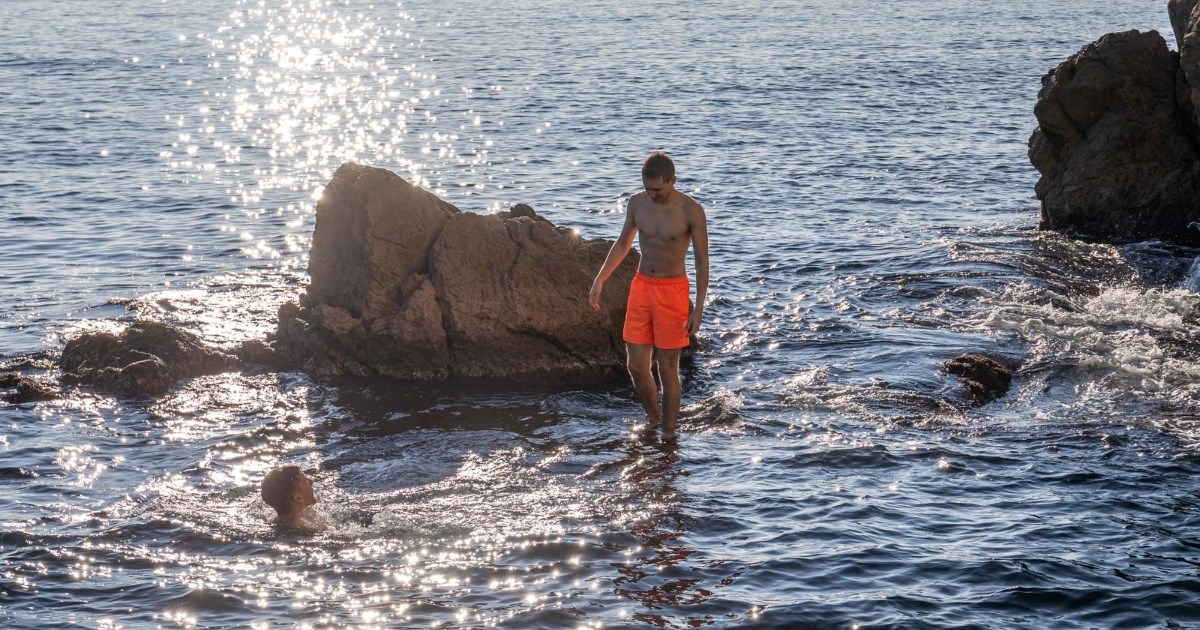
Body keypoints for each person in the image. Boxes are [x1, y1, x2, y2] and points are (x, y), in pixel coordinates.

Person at [589, 151, 709, 440]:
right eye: (647, 189)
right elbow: (623, 242)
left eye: (658, 189)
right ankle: (654, 418)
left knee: (667, 367)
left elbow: (702, 261)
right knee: (636, 365)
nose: (652, 194)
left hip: (673, 291)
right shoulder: (637, 203)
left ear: (673, 181)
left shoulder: (691, 210)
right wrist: (600, 278)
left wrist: (699, 308)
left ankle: (669, 431)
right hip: (642, 287)